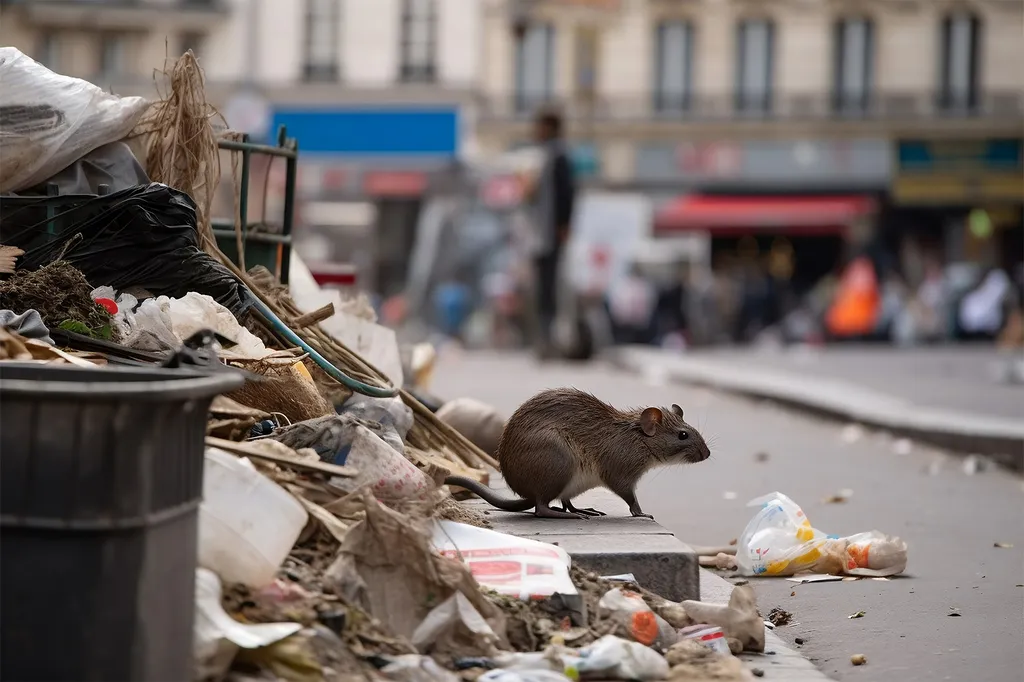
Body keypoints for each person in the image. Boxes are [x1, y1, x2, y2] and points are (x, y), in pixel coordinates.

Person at [522, 108, 577, 358]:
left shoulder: (558, 156)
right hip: (541, 235)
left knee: (550, 289)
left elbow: (567, 193)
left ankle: (551, 340)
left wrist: (563, 225)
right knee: (543, 289)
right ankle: (544, 340)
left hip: (549, 235)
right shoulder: (544, 157)